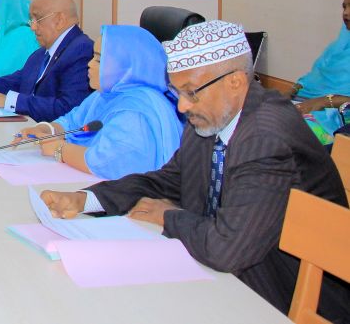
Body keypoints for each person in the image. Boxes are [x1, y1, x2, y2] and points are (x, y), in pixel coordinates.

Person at [41, 21, 350, 318]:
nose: (181, 107)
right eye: (177, 92)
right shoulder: (212, 115)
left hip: (282, 297)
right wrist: (87, 200)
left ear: (235, 81)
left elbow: (227, 249)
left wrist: (167, 216)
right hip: (224, 274)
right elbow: (168, 181)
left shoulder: (265, 136)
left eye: (190, 92)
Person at [12, 25, 182, 179]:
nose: (89, 64)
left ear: (126, 66)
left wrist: (59, 149)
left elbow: (108, 163)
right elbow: (73, 121)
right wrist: (46, 129)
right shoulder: (107, 93)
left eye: (99, 60)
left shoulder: (136, 112)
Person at [294, 0, 350, 114]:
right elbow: (313, 76)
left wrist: (325, 101)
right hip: (304, 100)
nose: (346, 13)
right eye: (344, 7)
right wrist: (291, 90)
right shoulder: (337, 47)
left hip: (337, 117)